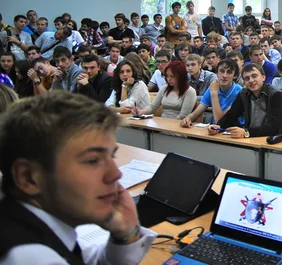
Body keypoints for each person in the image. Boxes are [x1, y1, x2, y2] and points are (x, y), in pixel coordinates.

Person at [0, 92, 156, 264]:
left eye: (111, 157)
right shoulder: (30, 258)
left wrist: (126, 234)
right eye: (92, 160)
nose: (116, 174)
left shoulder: (22, 223)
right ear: (28, 178)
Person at [207, 64, 282, 138]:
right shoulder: (244, 93)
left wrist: (246, 132)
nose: (251, 80)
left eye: (254, 76)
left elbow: (274, 127)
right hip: (251, 138)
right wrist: (218, 126)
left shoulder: (276, 94)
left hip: (273, 140)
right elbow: (231, 115)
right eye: (247, 78)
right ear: (244, 82)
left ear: (263, 77)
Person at [181, 59, 243, 126]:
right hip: (213, 130)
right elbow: (196, 113)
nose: (225, 75)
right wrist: (187, 119)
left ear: (235, 76)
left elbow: (220, 122)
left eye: (229, 72)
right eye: (222, 71)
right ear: (216, 73)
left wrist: (214, 94)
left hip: (233, 131)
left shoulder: (239, 92)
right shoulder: (213, 87)